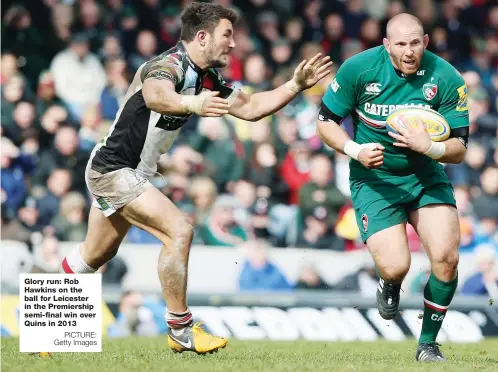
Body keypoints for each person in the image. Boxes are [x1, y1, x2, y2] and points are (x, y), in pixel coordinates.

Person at [59, 3, 331, 355]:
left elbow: (250, 108)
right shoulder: (166, 66)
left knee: (95, 255)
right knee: (180, 230)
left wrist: (295, 85)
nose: (233, 44)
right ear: (202, 37)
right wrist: (194, 105)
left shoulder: (205, 77)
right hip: (114, 169)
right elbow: (157, 95)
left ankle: (43, 333)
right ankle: (181, 329)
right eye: (226, 35)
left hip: (127, 171)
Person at [316, 13, 469, 362]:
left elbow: (460, 148)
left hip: (425, 176)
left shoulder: (447, 77)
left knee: (446, 258)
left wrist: (428, 146)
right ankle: (390, 282)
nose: (409, 50)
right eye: (401, 44)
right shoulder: (359, 69)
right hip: (374, 180)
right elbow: (325, 124)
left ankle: (427, 344)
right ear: (387, 45)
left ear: (425, 42)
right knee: (396, 265)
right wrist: (355, 150)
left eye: (415, 42)